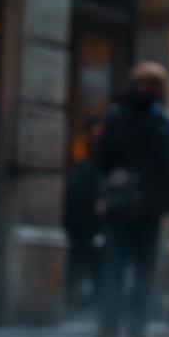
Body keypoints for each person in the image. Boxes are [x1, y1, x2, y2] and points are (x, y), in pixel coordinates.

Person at [94, 61, 169, 337]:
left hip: (119, 203)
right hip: (148, 205)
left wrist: (115, 176)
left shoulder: (115, 115)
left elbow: (101, 157)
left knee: (115, 269)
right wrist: (168, 198)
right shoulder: (162, 119)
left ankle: (107, 334)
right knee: (142, 271)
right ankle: (136, 332)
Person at [64, 117, 105, 312]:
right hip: (80, 224)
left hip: (96, 226)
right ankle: (74, 305)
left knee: (96, 269)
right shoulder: (83, 167)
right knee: (78, 267)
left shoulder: (100, 166)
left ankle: (92, 307)